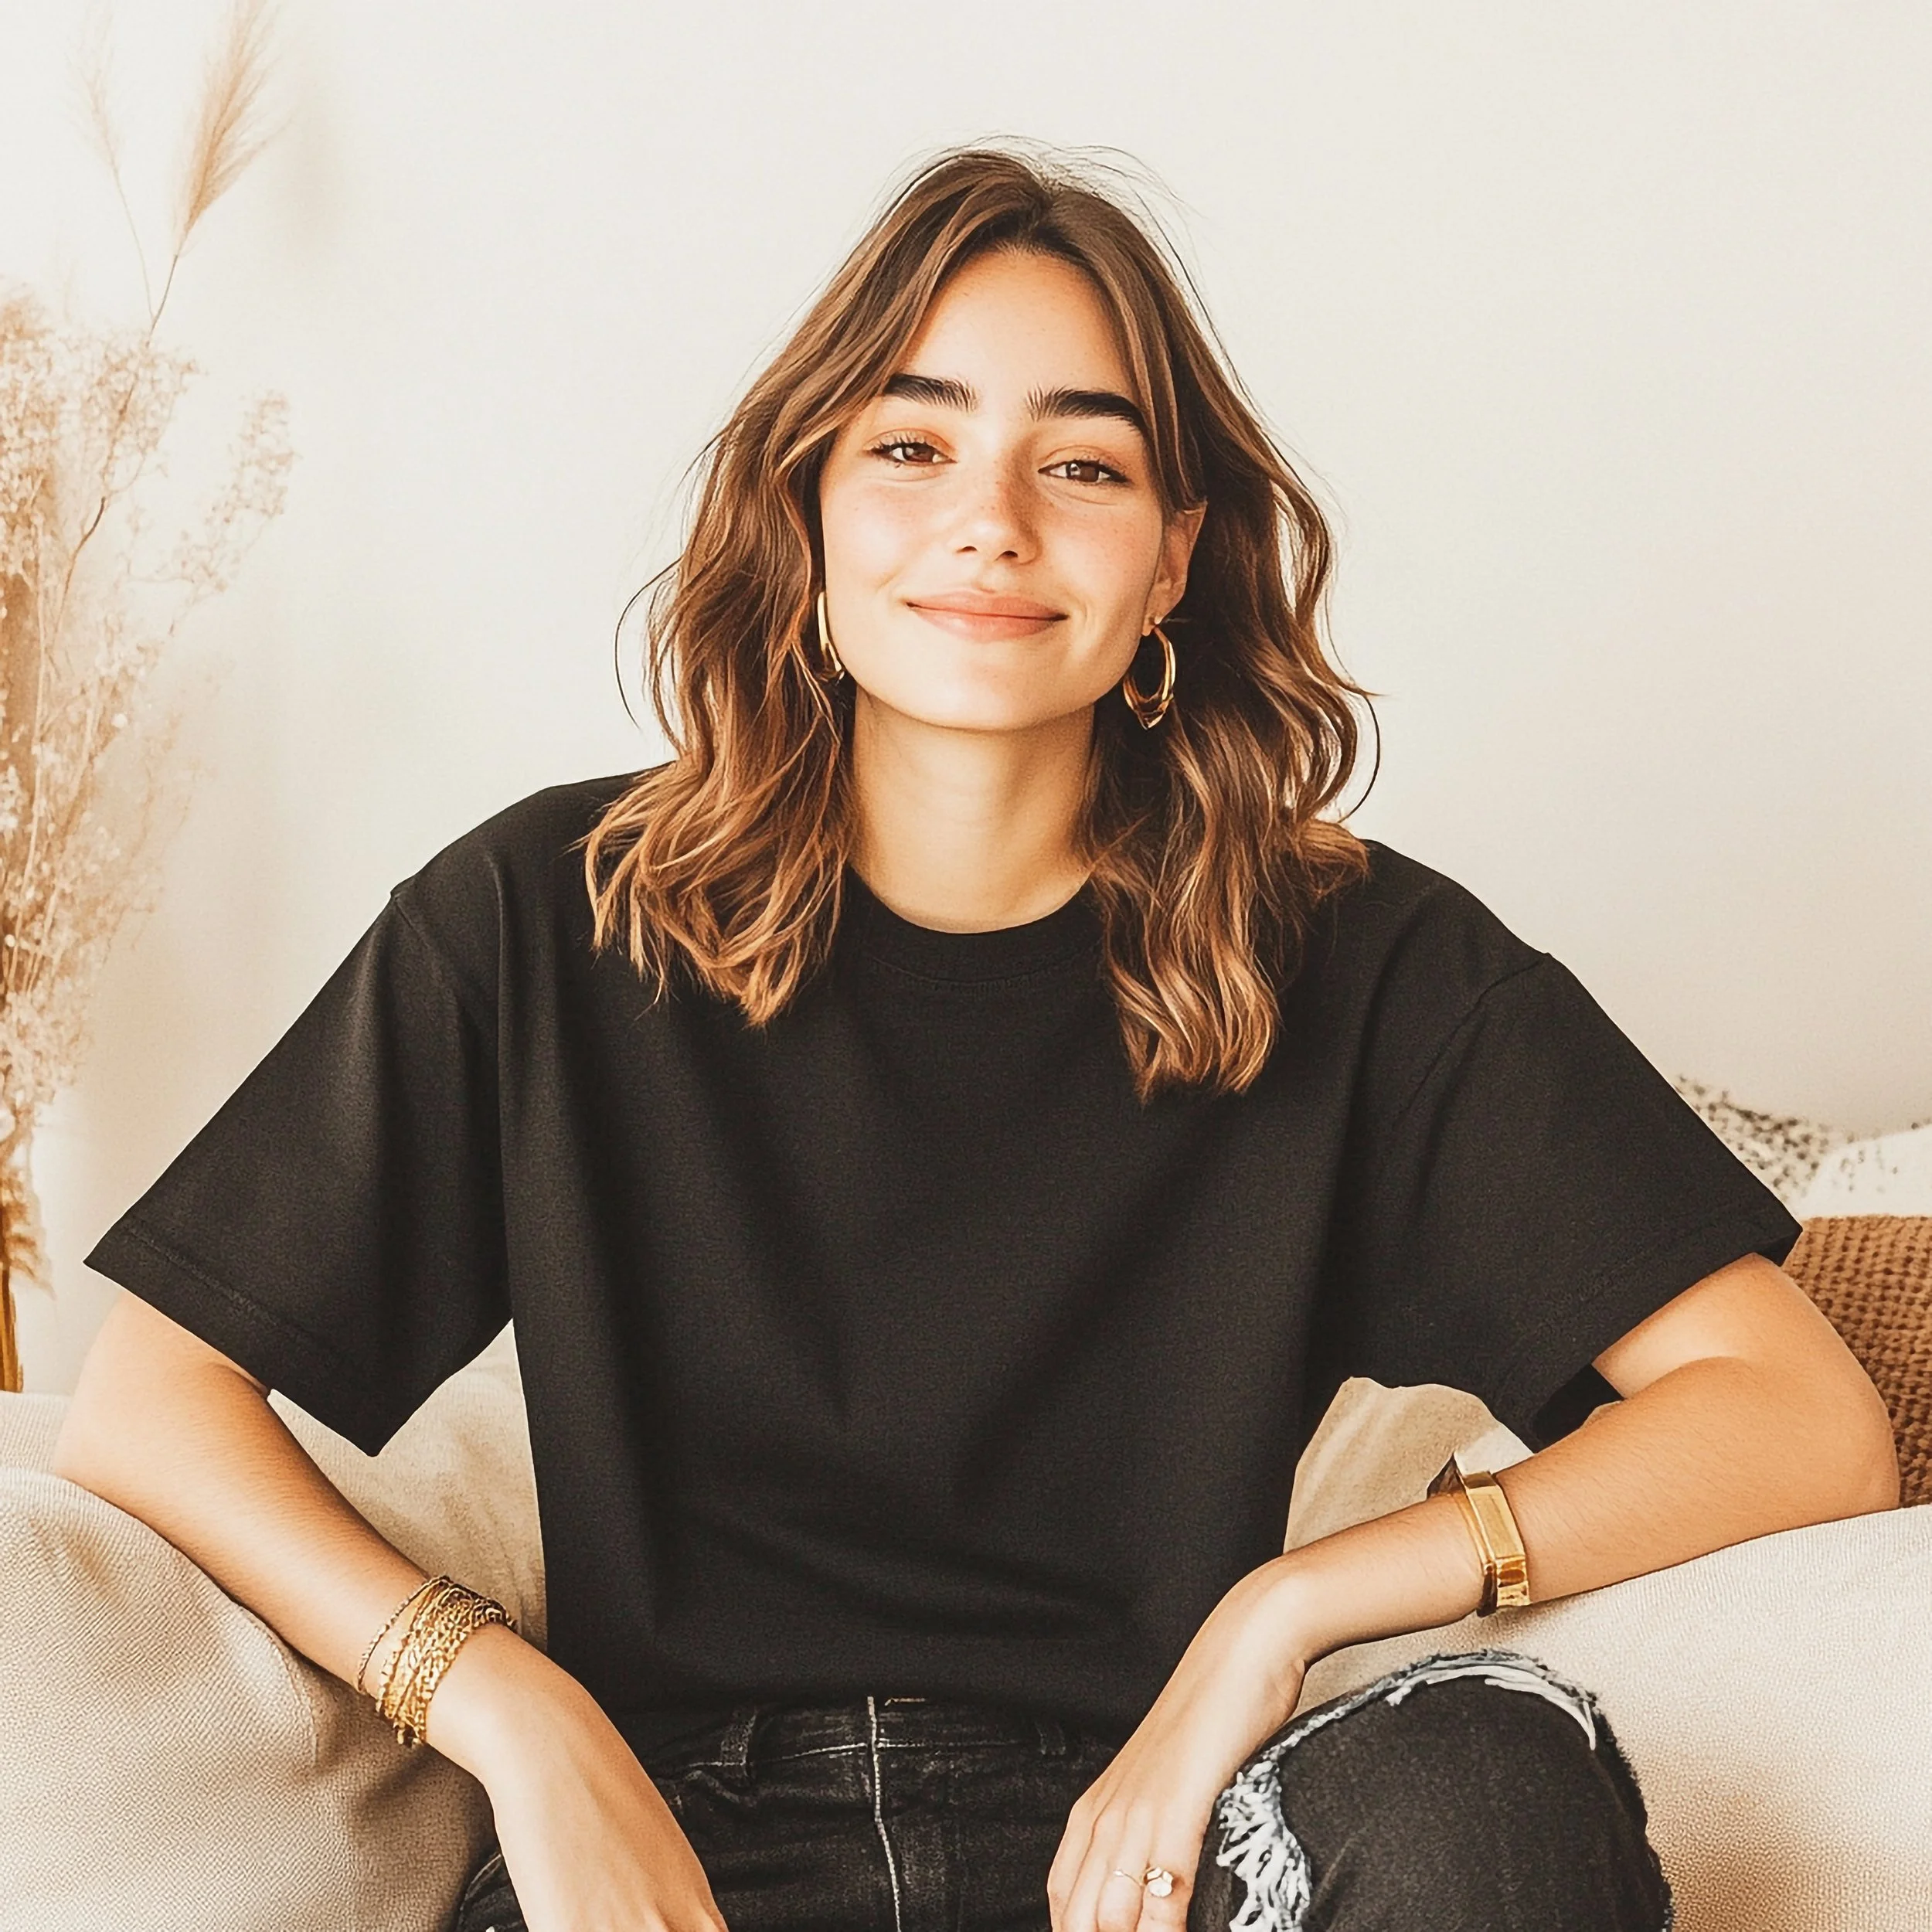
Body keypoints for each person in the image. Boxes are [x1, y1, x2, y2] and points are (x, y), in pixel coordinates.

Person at [53, 145, 1897, 1932]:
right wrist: (503, 1708)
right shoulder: (551, 914)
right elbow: (154, 1398)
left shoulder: (1363, 958)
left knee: (1487, 1774)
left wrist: (1280, 1615)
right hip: (687, 1851)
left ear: (1174, 556)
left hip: (1162, 1840)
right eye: (911, 444)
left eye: (1079, 463)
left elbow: (1795, 1415)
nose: (988, 522)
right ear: (809, 512)